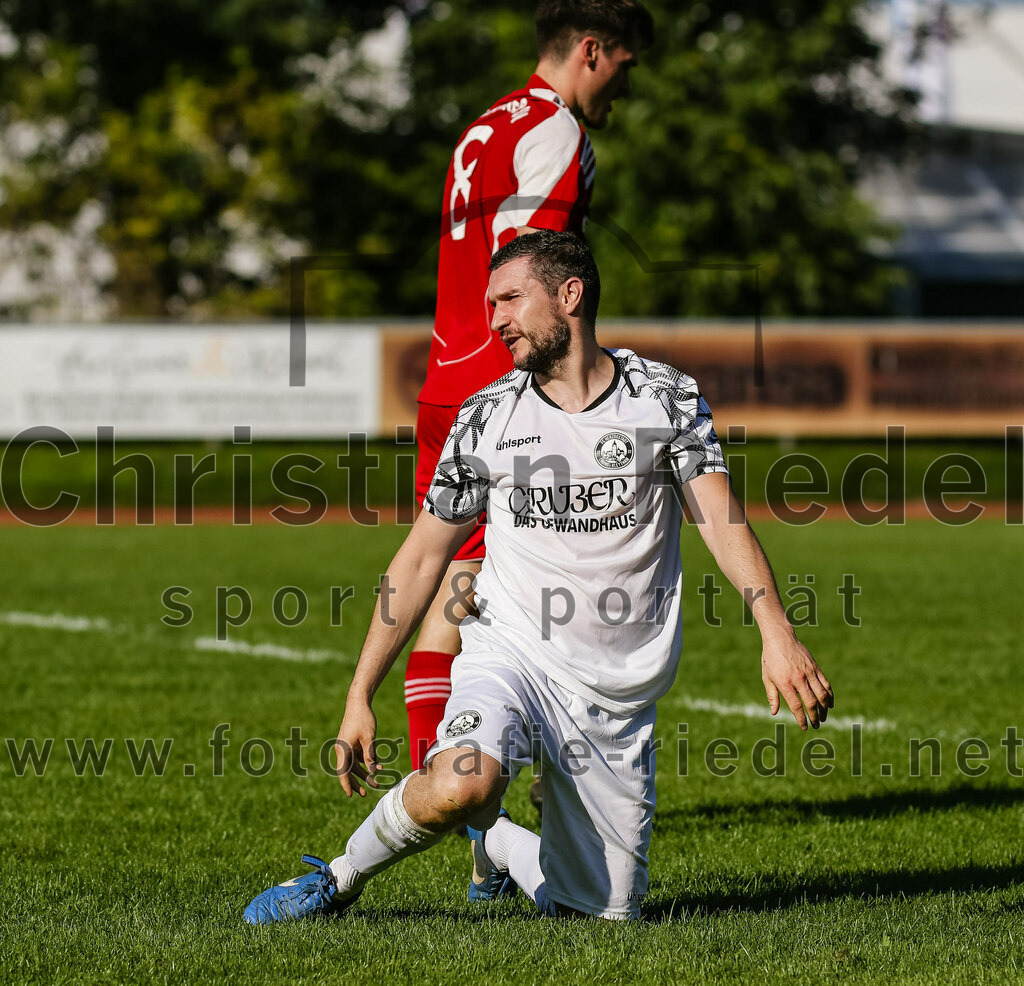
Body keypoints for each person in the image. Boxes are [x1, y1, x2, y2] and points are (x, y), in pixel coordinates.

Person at [245, 231, 834, 924]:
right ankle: (338, 880)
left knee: (600, 920)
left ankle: (496, 845)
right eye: (490, 302)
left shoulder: (665, 399)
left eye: (510, 298)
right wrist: (359, 693)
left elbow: (720, 519)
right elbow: (422, 557)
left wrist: (777, 632)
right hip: (512, 652)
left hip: (617, 692)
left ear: (570, 295)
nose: (494, 319)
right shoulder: (488, 415)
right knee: (464, 783)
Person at [406, 0, 654, 775]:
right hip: (503, 390)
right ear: (591, 50)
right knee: (538, 580)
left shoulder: (484, 127)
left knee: (457, 581)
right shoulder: (557, 131)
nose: (623, 85)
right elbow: (528, 268)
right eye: (624, 65)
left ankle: (476, 807)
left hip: (445, 378)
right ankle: (468, 820)